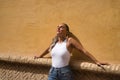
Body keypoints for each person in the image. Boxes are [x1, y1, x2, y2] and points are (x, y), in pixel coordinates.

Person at [34, 23, 107, 80]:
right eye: (58, 27)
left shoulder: (69, 41)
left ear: (67, 31)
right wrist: (40, 56)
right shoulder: (54, 42)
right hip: (52, 72)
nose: (58, 28)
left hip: (65, 73)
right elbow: (48, 50)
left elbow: (83, 50)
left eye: (62, 27)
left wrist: (96, 61)